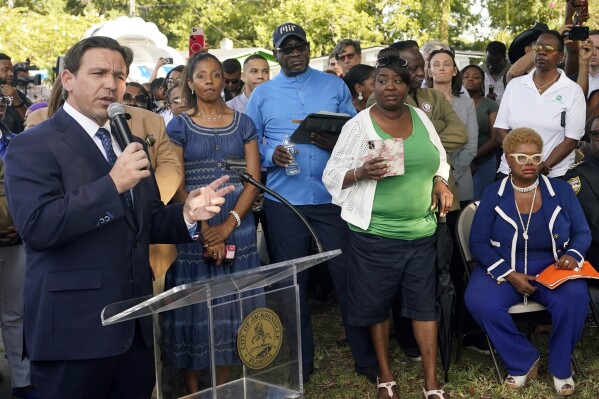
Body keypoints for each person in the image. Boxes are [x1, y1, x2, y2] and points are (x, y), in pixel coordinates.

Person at [3, 36, 234, 399]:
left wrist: (187, 214)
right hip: (73, 334)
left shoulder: (127, 142)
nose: (111, 84)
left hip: (135, 329)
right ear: (68, 80)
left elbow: (146, 220)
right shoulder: (32, 144)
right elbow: (38, 228)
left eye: (120, 75)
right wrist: (112, 184)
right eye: (98, 73)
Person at [246, 22, 378, 384]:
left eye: (299, 46)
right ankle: (300, 364)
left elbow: (355, 133)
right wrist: (272, 155)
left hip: (332, 197)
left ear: (308, 48)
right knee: (293, 283)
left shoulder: (334, 85)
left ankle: (365, 358)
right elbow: (249, 144)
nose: (294, 53)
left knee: (347, 276)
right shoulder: (262, 95)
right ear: (276, 54)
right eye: (286, 48)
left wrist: (332, 143)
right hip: (284, 202)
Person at [323, 53, 451, 399]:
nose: (389, 87)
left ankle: (431, 382)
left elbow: (439, 157)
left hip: (421, 233)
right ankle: (385, 376)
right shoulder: (358, 126)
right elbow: (331, 175)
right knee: (377, 306)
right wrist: (361, 172)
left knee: (425, 307)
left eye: (397, 80)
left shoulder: (422, 119)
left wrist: (441, 182)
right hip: (374, 236)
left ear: (409, 86)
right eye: (382, 81)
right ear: (371, 87)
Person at [160, 52, 262, 394]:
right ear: (190, 83)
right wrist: (204, 230)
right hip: (193, 231)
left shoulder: (244, 123)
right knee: (195, 307)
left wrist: (229, 225)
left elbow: (254, 178)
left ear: (224, 80)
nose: (208, 81)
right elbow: (174, 180)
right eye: (200, 75)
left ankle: (225, 385)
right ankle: (192, 388)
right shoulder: (178, 126)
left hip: (239, 228)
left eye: (215, 75)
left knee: (232, 305)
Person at [465, 128, 591, 396]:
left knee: (575, 297)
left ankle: (561, 367)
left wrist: (572, 255)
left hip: (552, 265)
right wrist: (509, 274)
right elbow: (477, 242)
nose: (529, 164)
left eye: (535, 157)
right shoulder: (492, 193)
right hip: (503, 264)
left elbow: (582, 232)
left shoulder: (561, 191)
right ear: (508, 160)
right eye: (521, 158)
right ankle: (523, 359)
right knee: (479, 300)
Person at [496, 30, 586, 179]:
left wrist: (543, 165)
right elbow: (501, 129)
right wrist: (519, 162)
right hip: (511, 172)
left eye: (549, 49)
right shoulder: (515, 85)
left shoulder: (573, 91)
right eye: (538, 48)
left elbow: (571, 140)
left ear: (561, 57)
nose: (542, 52)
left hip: (553, 174)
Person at [0, 95, 37, 399]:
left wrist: (18, 225)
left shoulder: (16, 142)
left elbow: (24, 189)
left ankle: (23, 384)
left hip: (14, 240)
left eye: (2, 100)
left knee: (16, 314)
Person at [427, 49, 478, 204]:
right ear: (429, 72)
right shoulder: (420, 102)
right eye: (436, 65)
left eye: (447, 64)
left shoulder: (467, 103)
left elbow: (471, 146)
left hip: (459, 177)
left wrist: (452, 173)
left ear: (454, 71)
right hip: (426, 178)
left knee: (457, 225)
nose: (441, 68)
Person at [461, 65, 499, 200]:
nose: (470, 79)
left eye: (476, 77)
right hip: (456, 162)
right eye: (466, 77)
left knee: (478, 204)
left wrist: (471, 156)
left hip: (484, 161)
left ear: (483, 82)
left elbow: (495, 139)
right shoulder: (451, 103)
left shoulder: (490, 105)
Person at [0, 53, 31, 133]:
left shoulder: (16, 94)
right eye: (6, 70)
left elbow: (30, 122)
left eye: (11, 70)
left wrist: (17, 101)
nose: (11, 74)